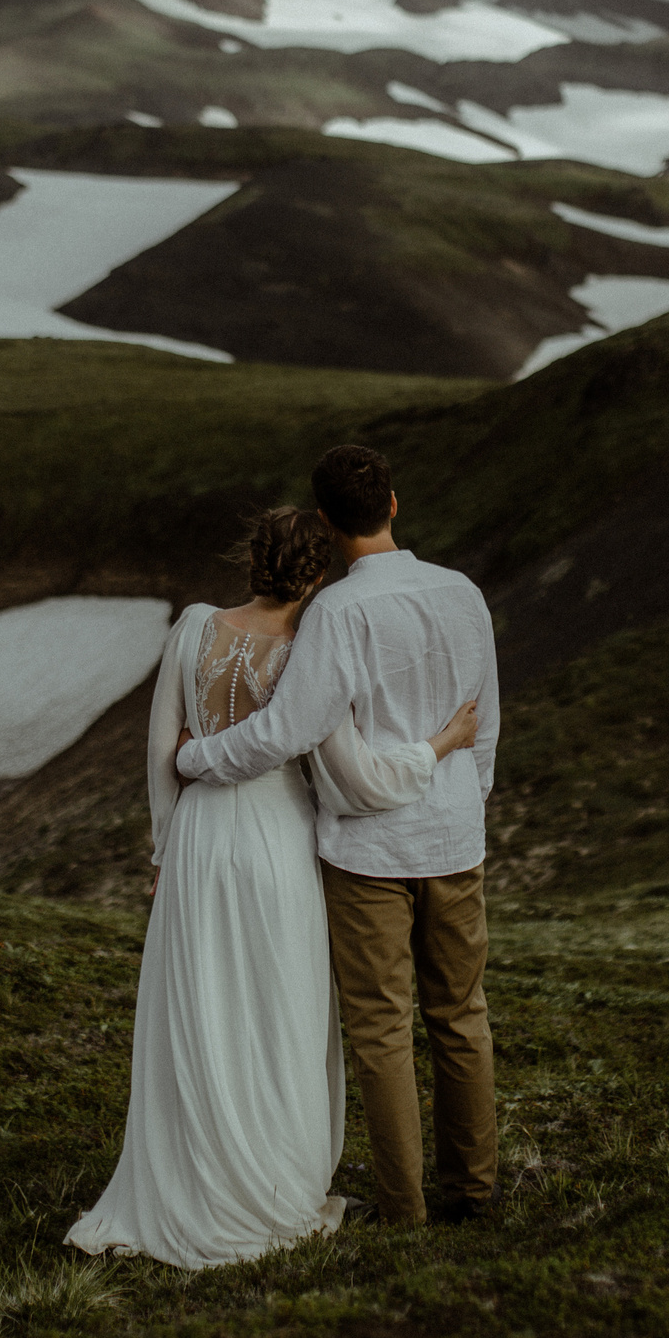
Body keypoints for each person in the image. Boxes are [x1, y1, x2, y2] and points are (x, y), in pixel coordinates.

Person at [66, 507, 480, 1271]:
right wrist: (437, 748)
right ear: (317, 576)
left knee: (198, 1006)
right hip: (276, 843)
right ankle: (266, 1184)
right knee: (278, 1013)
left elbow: (164, 752)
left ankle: (186, 1175)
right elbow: (354, 776)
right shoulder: (308, 652)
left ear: (254, 559)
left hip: (197, 841)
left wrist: (165, 849)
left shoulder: (192, 627)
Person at [175, 445, 502, 1227]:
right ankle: (475, 1189)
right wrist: (465, 803)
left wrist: (195, 756)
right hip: (455, 841)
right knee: (461, 1013)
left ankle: (403, 1205)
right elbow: (484, 723)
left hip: (368, 853)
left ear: (327, 521)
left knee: (382, 1028)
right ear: (394, 501)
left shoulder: (338, 611)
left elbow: (286, 729)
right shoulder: (463, 593)